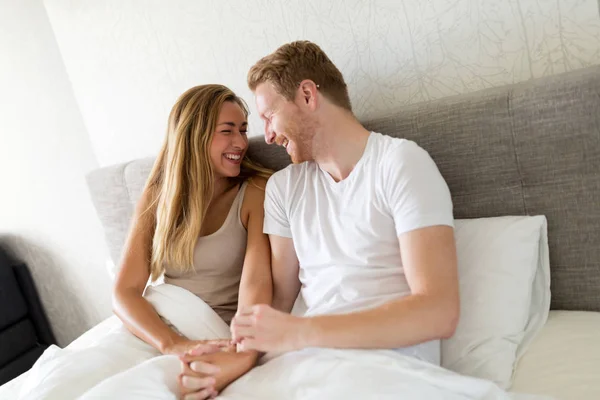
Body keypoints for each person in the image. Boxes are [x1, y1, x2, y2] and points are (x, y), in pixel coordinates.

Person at [179, 40, 460, 398]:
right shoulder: (284, 188)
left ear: (308, 95)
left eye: (269, 116)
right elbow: (279, 302)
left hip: (388, 369)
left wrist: (299, 333)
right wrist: (238, 356)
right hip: (307, 367)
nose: (265, 136)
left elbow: (439, 311)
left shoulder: (401, 164)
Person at [20, 84, 273, 400]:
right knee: (60, 387)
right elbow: (125, 292)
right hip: (152, 326)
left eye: (243, 130)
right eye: (227, 131)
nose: (240, 142)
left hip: (208, 331)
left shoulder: (255, 192)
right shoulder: (159, 196)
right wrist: (170, 343)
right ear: (194, 134)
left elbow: (257, 285)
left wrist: (242, 352)